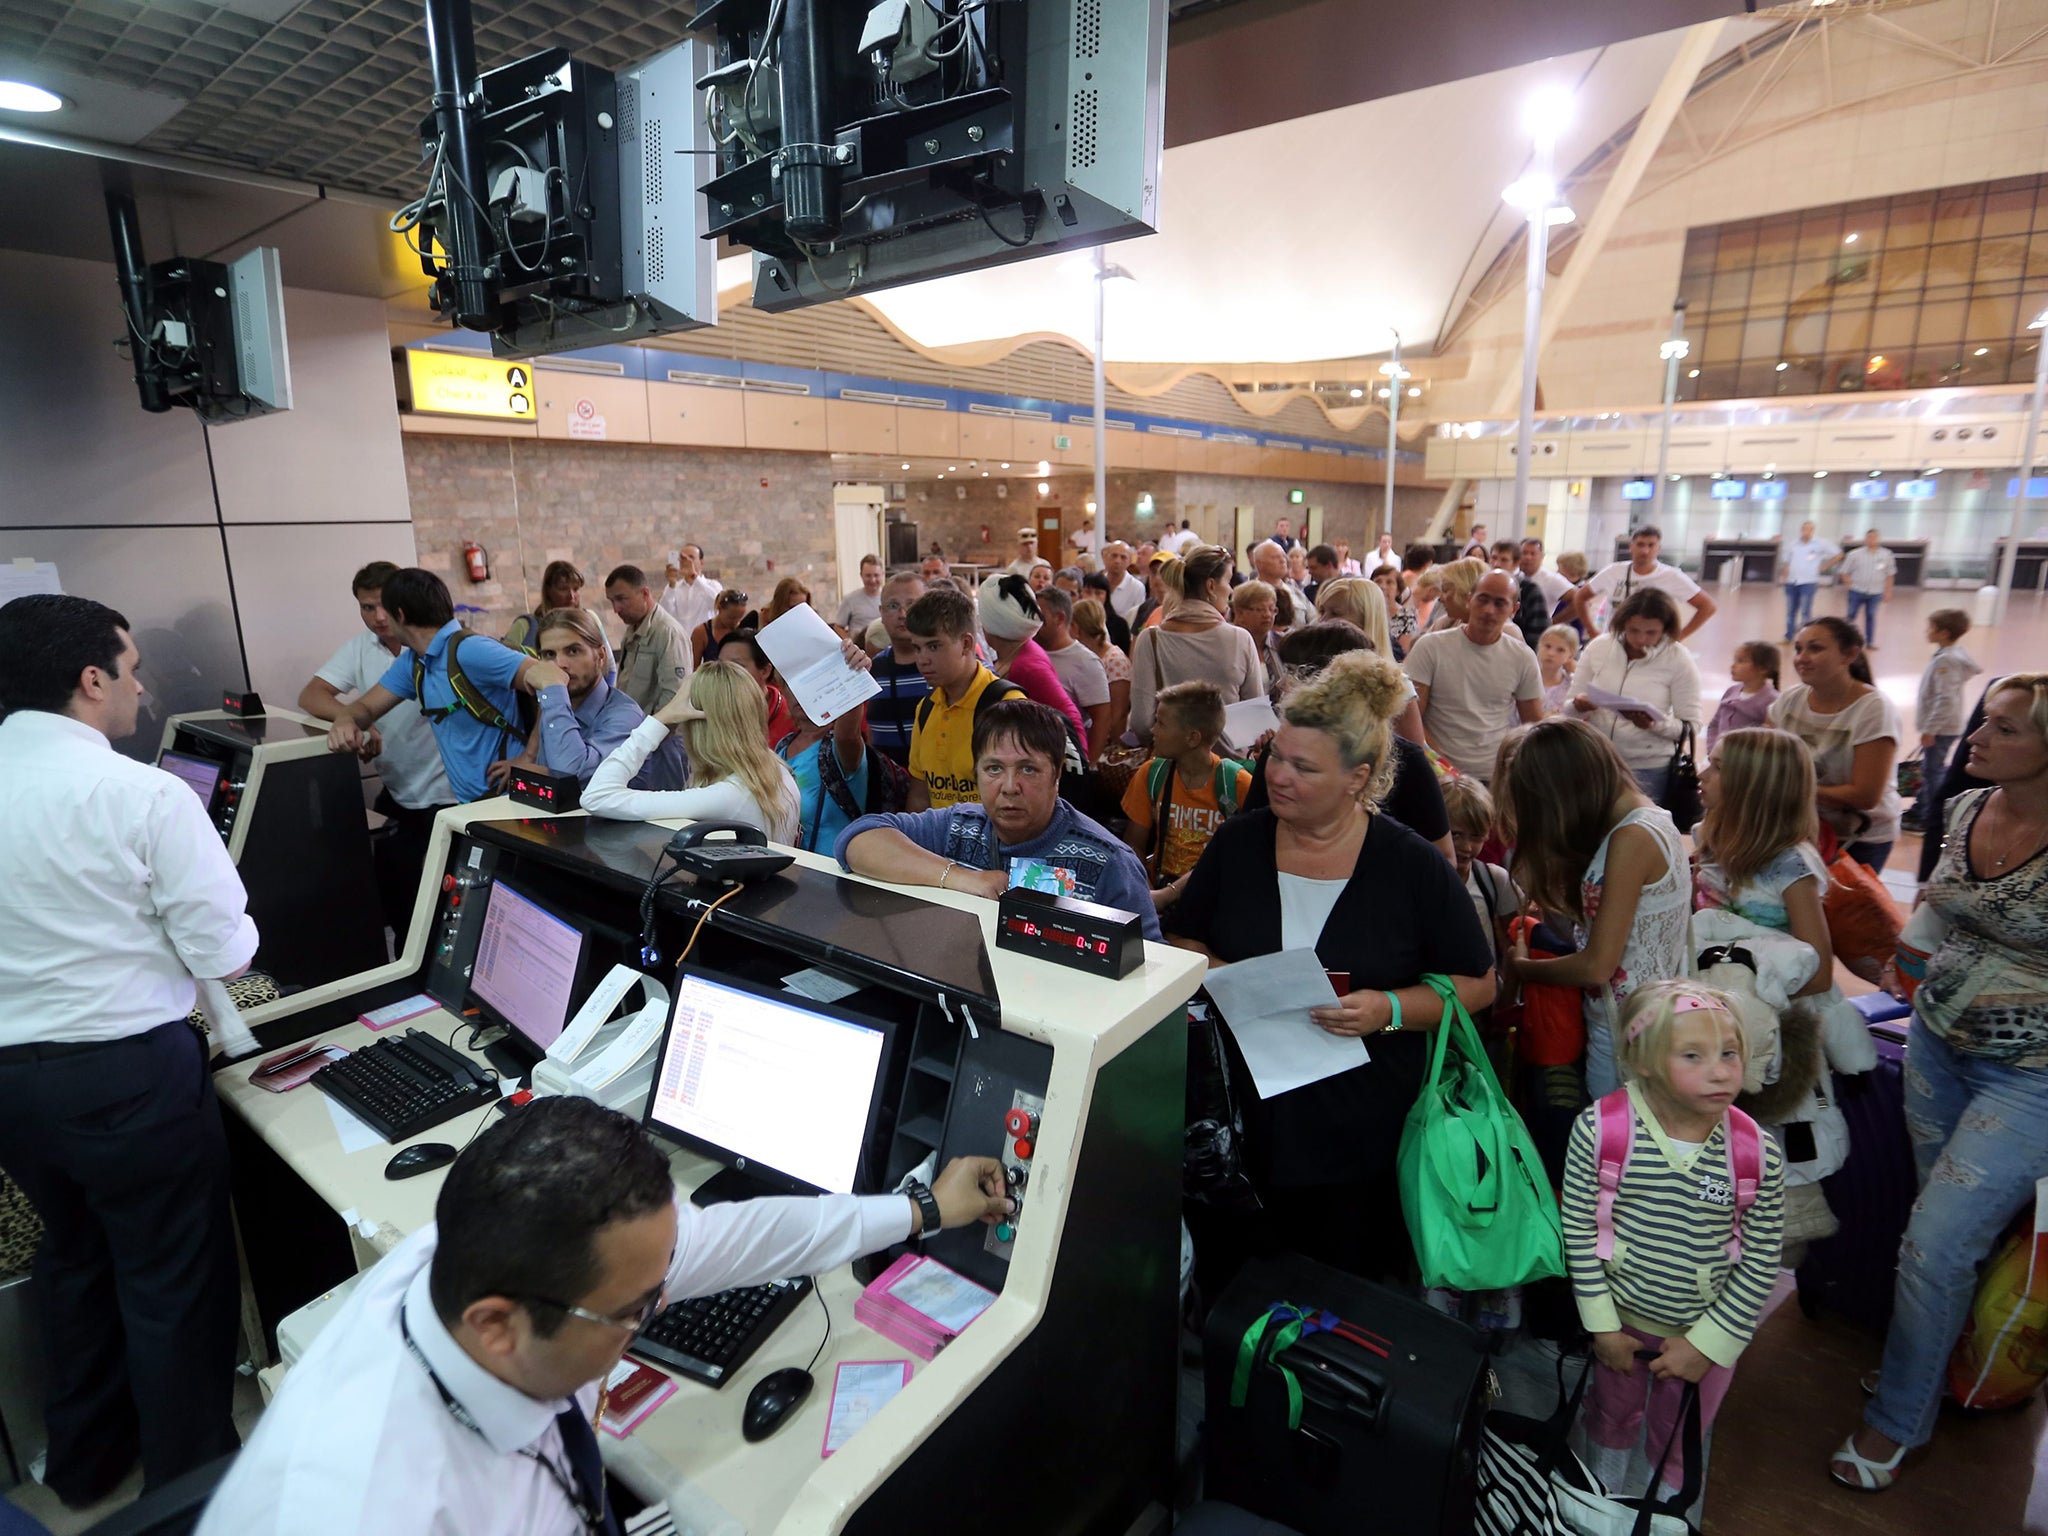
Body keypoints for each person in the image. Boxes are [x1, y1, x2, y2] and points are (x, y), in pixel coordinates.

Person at [196, 1094, 1009, 1536]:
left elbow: (741, 1237)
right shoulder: (364, 1505)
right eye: (635, 1310)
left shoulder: (501, 1247)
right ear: (496, 1326)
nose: (656, 1312)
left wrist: (920, 1211)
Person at [0, 594, 255, 1505]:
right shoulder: (141, 792)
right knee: (171, 1279)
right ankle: (194, 1495)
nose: (143, 687)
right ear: (91, 678)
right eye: (134, 668)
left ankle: (84, 1466)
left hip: (13, 1091)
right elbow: (224, 952)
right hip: (126, 1074)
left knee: (75, 1257)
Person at [1166, 651, 1495, 1285]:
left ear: (1357, 778)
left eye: (1303, 767)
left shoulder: (1409, 867)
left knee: (1344, 1299)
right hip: (1240, 1130)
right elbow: (1184, 934)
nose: (1278, 776)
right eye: (1276, 758)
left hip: (1362, 1139)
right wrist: (1217, 969)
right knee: (1242, 1297)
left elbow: (1479, 984)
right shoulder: (1239, 844)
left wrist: (1388, 1011)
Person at [1830, 675, 2048, 1493]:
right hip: (1937, 1044)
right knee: (1947, 1234)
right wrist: (1903, 967)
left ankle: (1898, 1422)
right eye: (1985, 720)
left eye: (2006, 728)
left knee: (1936, 1242)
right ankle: (1942, 1372)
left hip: (2033, 1073)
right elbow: (1935, 914)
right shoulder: (1963, 811)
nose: (1977, 738)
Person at [1563, 981, 1785, 1497]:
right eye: (1694, 1055)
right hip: (1621, 1325)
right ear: (1642, 1060)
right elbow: (1578, 1229)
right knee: (1611, 1414)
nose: (1721, 1070)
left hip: (1703, 1334)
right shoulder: (1600, 1132)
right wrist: (1602, 1327)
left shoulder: (1756, 1154)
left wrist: (1708, 1345)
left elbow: (1760, 1257)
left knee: (1678, 1433)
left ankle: (1662, 1510)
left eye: (1730, 1053)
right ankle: (1603, 1499)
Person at [837, 699, 1160, 937]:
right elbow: (858, 838)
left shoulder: (1110, 862)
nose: (1009, 787)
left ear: (1057, 774)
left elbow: (1153, 969)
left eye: (1028, 769)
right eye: (994, 769)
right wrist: (962, 878)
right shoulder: (957, 827)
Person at [1504, 718, 1693, 1099]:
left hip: (1625, 1028)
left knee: (1611, 1144)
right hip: (1645, 1019)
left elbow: (1597, 965)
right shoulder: (1644, 817)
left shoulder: (1632, 836)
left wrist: (1523, 968)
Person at [298, 561, 455, 933]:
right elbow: (312, 695)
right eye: (367, 608)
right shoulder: (360, 648)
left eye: (385, 605)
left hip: (452, 796)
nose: (379, 617)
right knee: (400, 908)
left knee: (445, 913)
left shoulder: (438, 647)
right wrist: (351, 719)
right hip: (400, 791)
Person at [323, 569, 547, 804]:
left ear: (399, 615)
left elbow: (553, 680)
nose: (380, 619)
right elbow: (366, 708)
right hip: (470, 807)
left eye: (385, 612)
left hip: (510, 801)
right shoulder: (414, 662)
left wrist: (528, 757)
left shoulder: (471, 650)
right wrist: (345, 720)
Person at [1244, 621, 1452, 861]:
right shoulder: (1280, 748)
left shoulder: (1407, 761)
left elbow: (1443, 856)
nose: (1281, 683)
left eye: (1292, 672)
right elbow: (1251, 838)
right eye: (1280, 759)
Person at [583, 661, 802, 841]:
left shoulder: (727, 796)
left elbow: (597, 796)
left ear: (696, 727)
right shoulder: (779, 772)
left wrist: (661, 718)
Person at [1692, 727, 1835, 997]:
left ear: (1754, 787)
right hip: (1712, 989)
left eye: (1718, 768)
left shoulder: (1790, 864)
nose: (1702, 774)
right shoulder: (1709, 837)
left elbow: (1819, 975)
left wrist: (1745, 999)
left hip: (1768, 1006)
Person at [1769, 616, 1904, 870]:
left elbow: (1865, 795)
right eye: (1798, 649)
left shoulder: (1873, 709)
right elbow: (1764, 756)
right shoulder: (1789, 701)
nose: (1802, 658)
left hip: (1858, 837)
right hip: (1801, 829)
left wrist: (1792, 789)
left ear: (1849, 655)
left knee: (1838, 909)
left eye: (1815, 648)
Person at [524, 608, 689, 792]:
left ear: (600, 656)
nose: (560, 664)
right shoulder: (557, 705)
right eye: (549, 655)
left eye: (573, 651)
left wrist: (553, 690)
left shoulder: (625, 715)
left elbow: (570, 779)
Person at [1120, 680, 1252, 910]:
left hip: (1214, 897)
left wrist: (1166, 895)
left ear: (1192, 738)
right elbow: (1134, 843)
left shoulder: (1237, 784)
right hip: (1159, 888)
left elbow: (1240, 860)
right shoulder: (1152, 774)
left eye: (1161, 724)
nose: (1153, 731)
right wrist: (1147, 889)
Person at [1404, 570, 1545, 784]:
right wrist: (1441, 764)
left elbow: (1533, 725)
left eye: (1500, 603)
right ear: (1469, 599)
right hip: (1437, 771)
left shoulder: (1522, 657)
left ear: (1513, 610)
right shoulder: (1431, 647)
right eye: (1483, 599)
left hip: (1494, 774)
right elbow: (1411, 717)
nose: (1489, 610)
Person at [1567, 588, 1703, 801]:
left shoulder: (1679, 659)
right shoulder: (1599, 647)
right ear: (1622, 623)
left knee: (1641, 830)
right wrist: (1577, 704)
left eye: (1651, 633)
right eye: (1633, 630)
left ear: (1666, 629)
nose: (1640, 639)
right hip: (1596, 760)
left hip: (1648, 768)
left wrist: (1654, 724)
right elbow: (1568, 706)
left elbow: (1691, 727)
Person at [900, 585, 1019, 811]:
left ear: (966, 644)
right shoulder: (925, 709)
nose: (922, 660)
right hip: (937, 843)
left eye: (933, 646)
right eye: (917, 648)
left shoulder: (1007, 704)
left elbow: (1023, 799)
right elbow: (920, 796)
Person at [1130, 545, 1266, 741]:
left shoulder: (1150, 639)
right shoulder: (1239, 639)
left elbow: (1141, 724)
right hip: (1228, 766)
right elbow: (1256, 720)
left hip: (1170, 765)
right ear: (1211, 586)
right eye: (1228, 580)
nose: (1230, 589)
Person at [977, 575, 1088, 740]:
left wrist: (1069, 763)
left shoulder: (1027, 667)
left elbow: (1071, 719)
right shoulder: (1016, 655)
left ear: (990, 626)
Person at [1572, 526, 1717, 643]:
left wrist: (1679, 636)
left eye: (1651, 545)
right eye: (1640, 545)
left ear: (1658, 549)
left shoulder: (1671, 576)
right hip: (1615, 641)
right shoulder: (1613, 572)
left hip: (1652, 645)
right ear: (1631, 547)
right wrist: (1591, 630)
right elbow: (1580, 597)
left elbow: (1708, 606)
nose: (1645, 551)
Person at [1913, 609, 1982, 834]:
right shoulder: (1950, 655)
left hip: (1941, 727)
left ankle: (1932, 816)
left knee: (1932, 771)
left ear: (1943, 632)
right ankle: (1922, 806)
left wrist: (1930, 729)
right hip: (1944, 725)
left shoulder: (1946, 661)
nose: (1926, 631)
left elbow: (1945, 698)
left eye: (1930, 627)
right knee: (1929, 768)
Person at [1443, 776, 1518, 978]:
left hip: (1486, 997)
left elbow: (1516, 943)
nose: (1466, 847)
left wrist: (1507, 997)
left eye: (1476, 837)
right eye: (1455, 835)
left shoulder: (1493, 879)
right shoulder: (1417, 883)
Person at [1034, 587, 1113, 760]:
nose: (1033, 622)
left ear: (1060, 618)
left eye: (1039, 616)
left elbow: (1102, 718)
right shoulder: (1028, 651)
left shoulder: (1086, 662)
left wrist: (1088, 764)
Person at [506, 560, 615, 679]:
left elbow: (609, 667)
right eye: (563, 589)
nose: (571, 596)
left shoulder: (590, 618)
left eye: (576, 589)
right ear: (548, 591)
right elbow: (505, 664)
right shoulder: (525, 625)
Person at [605, 563, 691, 715]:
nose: (616, 609)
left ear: (645, 593)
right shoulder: (632, 630)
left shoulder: (668, 633)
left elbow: (675, 697)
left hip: (659, 735)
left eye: (621, 599)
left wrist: (647, 734)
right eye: (612, 601)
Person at [866, 573, 930, 764]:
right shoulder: (873, 669)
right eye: (893, 606)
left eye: (912, 605)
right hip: (887, 785)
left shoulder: (946, 665)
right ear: (881, 613)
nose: (903, 614)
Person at [713, 630, 796, 749]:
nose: (724, 673)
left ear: (765, 671)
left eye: (737, 666)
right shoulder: (710, 711)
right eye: (720, 665)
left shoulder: (792, 718)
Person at [1071, 597, 1132, 747]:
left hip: (1106, 744)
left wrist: (1116, 750)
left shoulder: (1115, 660)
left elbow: (1118, 714)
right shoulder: (1088, 655)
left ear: (1076, 629)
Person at [1706, 640, 1781, 751]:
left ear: (1763, 668)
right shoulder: (1731, 691)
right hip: (1720, 758)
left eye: (1741, 661)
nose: (1733, 666)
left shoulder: (1772, 700)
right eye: (1735, 660)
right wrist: (1712, 749)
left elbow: (1767, 739)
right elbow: (1714, 724)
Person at [1830, 528, 1895, 648]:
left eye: (1874, 537)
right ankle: (1846, 640)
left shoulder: (1886, 555)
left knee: (1871, 616)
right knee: (1851, 615)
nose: (1872, 540)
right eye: (1869, 537)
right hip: (1857, 591)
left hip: (1875, 592)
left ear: (1879, 539)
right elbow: (1843, 571)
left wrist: (1888, 591)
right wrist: (1850, 585)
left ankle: (1870, 642)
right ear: (1865, 539)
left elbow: (1890, 574)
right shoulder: (1854, 554)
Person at [1777, 520, 1840, 641]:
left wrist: (1825, 566)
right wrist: (1784, 577)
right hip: (1792, 581)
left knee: (1806, 611)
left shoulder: (1820, 543)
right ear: (1801, 530)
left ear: (1813, 530)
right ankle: (1789, 636)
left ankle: (1805, 638)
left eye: (1809, 529)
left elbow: (1838, 554)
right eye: (1804, 528)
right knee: (1790, 611)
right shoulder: (1793, 544)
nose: (1806, 531)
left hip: (1809, 581)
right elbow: (1786, 562)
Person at [1228, 579, 1282, 692]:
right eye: (1260, 609)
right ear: (1239, 612)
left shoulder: (1281, 642)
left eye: (1272, 609)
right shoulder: (1229, 642)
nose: (1268, 615)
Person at [659, 542, 722, 635]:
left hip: (705, 641)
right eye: (683, 558)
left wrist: (694, 577)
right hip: (681, 642)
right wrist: (672, 584)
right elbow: (664, 614)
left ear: (701, 562)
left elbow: (717, 604)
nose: (686, 561)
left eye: (691, 557)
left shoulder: (713, 585)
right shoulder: (672, 588)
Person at [690, 587, 753, 667]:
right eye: (731, 617)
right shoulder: (701, 632)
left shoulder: (742, 630)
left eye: (739, 618)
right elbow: (693, 668)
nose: (736, 622)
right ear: (720, 609)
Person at [1079, 569, 1134, 652]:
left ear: (1106, 596)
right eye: (1088, 592)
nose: (1092, 598)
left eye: (1098, 593)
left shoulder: (1119, 625)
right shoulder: (1073, 622)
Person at [1519, 537, 1574, 616]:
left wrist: (1554, 622)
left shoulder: (1552, 579)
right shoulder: (1514, 575)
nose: (1528, 557)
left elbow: (1580, 599)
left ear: (1542, 556)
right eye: (1524, 553)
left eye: (1533, 554)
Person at [1371, 565, 1416, 658]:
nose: (1382, 586)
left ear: (1398, 591)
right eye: (1378, 581)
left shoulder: (1407, 617)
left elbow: (1404, 653)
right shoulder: (1366, 611)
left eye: (1389, 582)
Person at [1100, 540, 1148, 627]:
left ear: (1129, 561)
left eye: (1123, 557)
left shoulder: (1137, 588)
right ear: (1105, 558)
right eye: (1114, 556)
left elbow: (1138, 620)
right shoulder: (1098, 582)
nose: (1117, 561)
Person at [835, 553, 884, 635]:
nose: (872, 580)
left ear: (882, 574)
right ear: (861, 575)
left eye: (876, 575)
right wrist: (849, 642)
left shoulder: (890, 599)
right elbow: (838, 627)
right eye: (868, 576)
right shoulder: (849, 599)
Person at [1536, 623, 1579, 716]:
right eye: (1547, 646)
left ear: (1570, 656)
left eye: (1560, 650)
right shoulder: (1526, 677)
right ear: (1539, 646)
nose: (1551, 653)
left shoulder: (1571, 686)